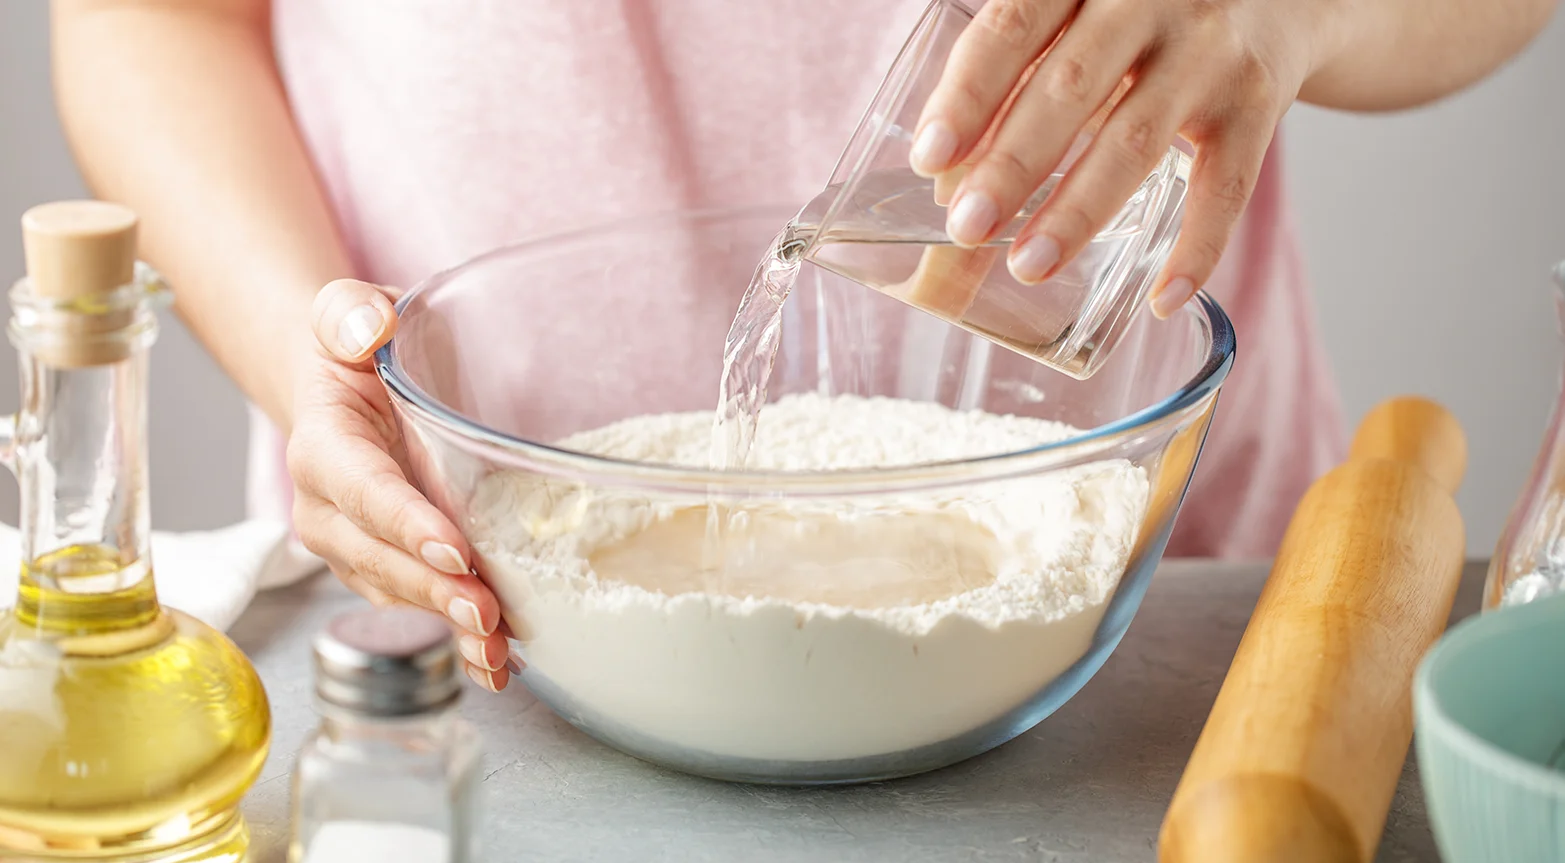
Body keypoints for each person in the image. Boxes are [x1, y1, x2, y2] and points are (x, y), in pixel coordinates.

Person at [52, 0, 1557, 691]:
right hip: (466, 595)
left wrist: (1291, 13)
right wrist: (307, 349)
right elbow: (144, 17)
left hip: (1160, 613)